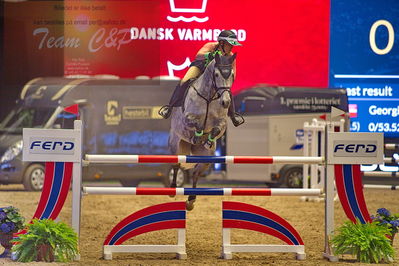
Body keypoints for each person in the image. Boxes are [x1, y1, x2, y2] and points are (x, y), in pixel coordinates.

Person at [158, 30, 244, 127]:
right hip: (200, 67)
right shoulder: (211, 46)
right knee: (184, 81)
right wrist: (208, 55)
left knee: (226, 90)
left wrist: (228, 83)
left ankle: (233, 115)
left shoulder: (230, 56)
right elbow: (198, 55)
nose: (232, 47)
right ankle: (169, 107)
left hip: (215, 75)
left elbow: (234, 72)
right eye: (229, 44)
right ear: (222, 42)